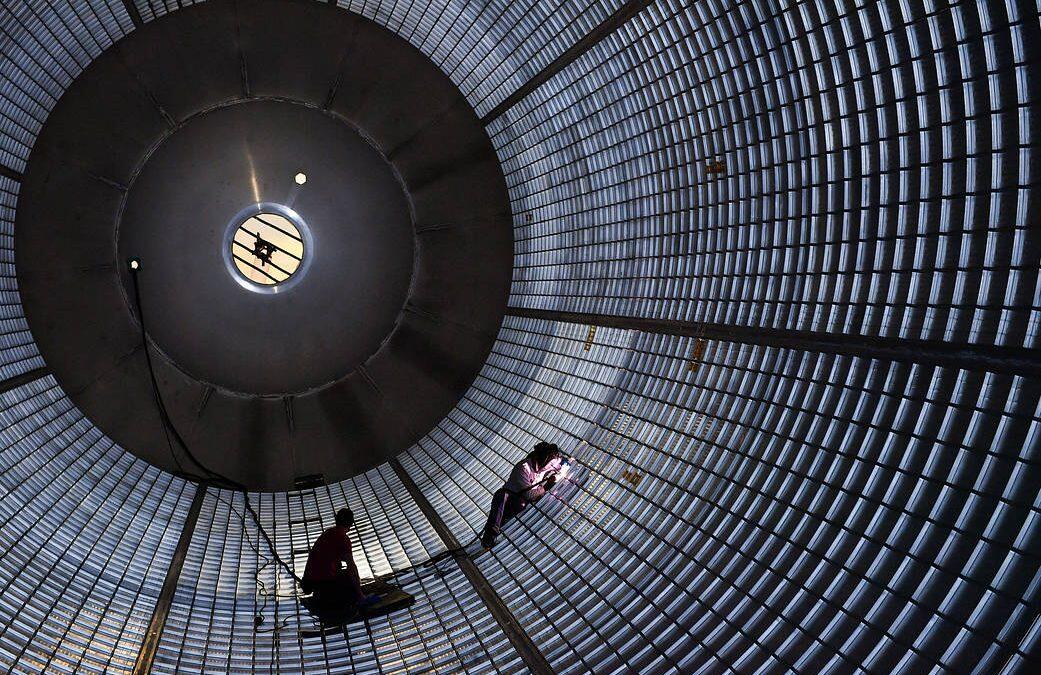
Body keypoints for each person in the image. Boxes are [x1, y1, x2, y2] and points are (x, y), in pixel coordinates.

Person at [480, 442, 564, 548]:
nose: (552, 467)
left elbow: (560, 463)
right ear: (544, 459)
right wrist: (546, 487)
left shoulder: (544, 467)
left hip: (521, 504)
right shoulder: (523, 467)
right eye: (551, 464)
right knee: (502, 499)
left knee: (520, 507)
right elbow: (528, 495)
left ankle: (495, 536)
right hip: (509, 501)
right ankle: (489, 537)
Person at [302, 508, 377, 618]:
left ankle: (322, 595)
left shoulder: (327, 534)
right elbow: (351, 566)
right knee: (349, 577)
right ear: (350, 523)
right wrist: (360, 594)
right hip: (325, 583)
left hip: (310, 582)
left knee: (341, 569)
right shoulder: (343, 539)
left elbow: (321, 556)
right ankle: (334, 598)